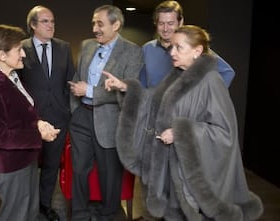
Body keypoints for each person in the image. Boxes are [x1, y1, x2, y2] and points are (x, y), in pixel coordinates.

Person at [104, 25, 263, 220]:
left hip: (188, 174)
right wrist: (126, 87)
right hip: (169, 168)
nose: (172, 52)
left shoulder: (211, 81)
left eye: (179, 47)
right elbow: (154, 102)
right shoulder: (177, 75)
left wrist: (180, 132)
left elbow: (224, 133)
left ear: (197, 51)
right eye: (171, 47)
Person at [0, 24, 60, 221]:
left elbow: (23, 113)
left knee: (29, 214)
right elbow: (0, 136)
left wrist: (38, 123)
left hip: (27, 159)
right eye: (18, 49)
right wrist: (39, 134)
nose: (23, 53)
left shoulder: (12, 76)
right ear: (2, 55)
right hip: (12, 165)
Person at [68, 5, 143, 221]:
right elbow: (77, 77)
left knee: (109, 174)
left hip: (110, 121)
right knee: (79, 170)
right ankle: (80, 214)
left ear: (116, 24)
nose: (95, 28)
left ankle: (109, 215)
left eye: (100, 23)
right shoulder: (87, 45)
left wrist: (90, 90)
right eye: (93, 23)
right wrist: (76, 108)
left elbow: (128, 89)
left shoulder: (132, 52)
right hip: (82, 116)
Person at [18, 5, 75, 221]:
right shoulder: (20, 48)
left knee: (51, 167)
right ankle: (27, 209)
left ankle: (44, 207)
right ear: (33, 25)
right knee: (28, 168)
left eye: (52, 21)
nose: (51, 25)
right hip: (31, 121)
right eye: (45, 21)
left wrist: (68, 109)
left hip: (59, 118)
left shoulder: (63, 47)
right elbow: (17, 86)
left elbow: (70, 80)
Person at [140, 0, 235, 88]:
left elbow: (227, 73)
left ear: (180, 22)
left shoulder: (192, 48)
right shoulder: (147, 48)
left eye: (170, 23)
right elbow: (142, 84)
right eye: (161, 23)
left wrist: (205, 97)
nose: (165, 29)